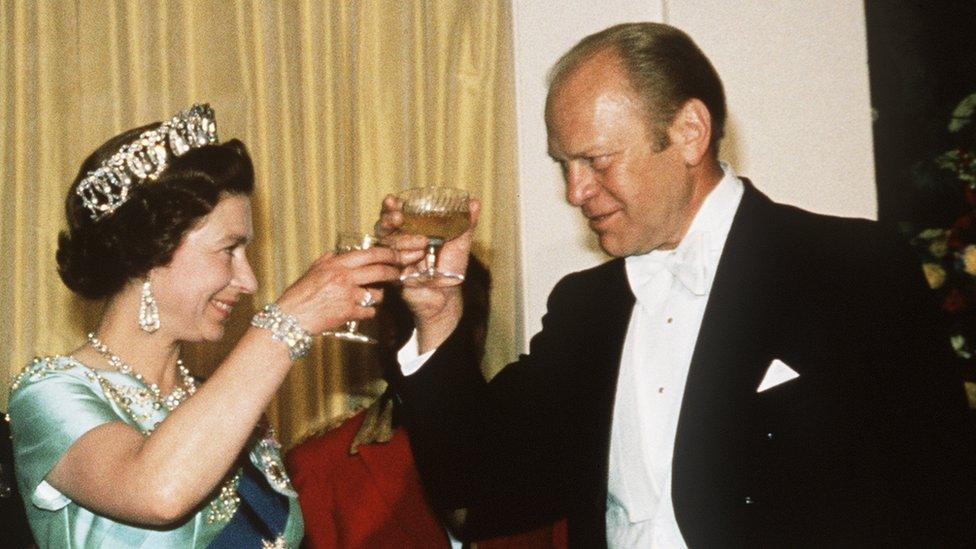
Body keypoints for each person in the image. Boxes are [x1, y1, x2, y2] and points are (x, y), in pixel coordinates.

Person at [378, 23, 976, 547]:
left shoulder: (851, 269)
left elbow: (939, 497)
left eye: (596, 160)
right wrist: (437, 315)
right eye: (564, 165)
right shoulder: (586, 310)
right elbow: (478, 486)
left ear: (690, 132)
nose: (574, 192)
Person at [7, 104, 407, 548]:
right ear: (149, 253)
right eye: (228, 250)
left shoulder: (220, 401)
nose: (248, 280)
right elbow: (158, 492)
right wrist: (288, 321)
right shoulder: (50, 394)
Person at [286, 257, 567, 548]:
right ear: (385, 326)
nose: (455, 333)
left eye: (472, 317)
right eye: (418, 313)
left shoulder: (538, 443)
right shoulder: (319, 468)